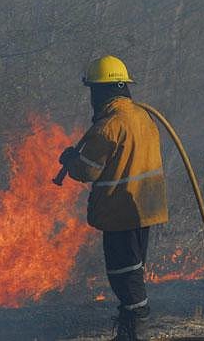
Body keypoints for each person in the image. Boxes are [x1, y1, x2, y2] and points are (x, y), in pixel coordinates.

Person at [58, 55, 168, 340]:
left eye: (94, 90)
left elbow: (87, 171)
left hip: (121, 210)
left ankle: (136, 328)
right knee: (134, 267)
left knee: (124, 272)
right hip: (146, 207)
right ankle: (131, 326)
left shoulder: (109, 126)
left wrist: (71, 160)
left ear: (102, 91)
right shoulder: (143, 117)